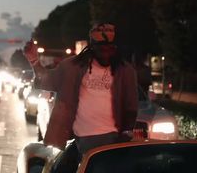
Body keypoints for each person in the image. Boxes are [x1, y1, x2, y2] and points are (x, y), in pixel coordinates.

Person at [24, 23, 138, 155]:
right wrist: (34, 61)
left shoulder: (125, 71)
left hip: (113, 139)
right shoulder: (72, 67)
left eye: (110, 48)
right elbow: (46, 80)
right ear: (92, 47)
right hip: (81, 139)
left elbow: (131, 106)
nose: (106, 53)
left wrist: (126, 133)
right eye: (101, 48)